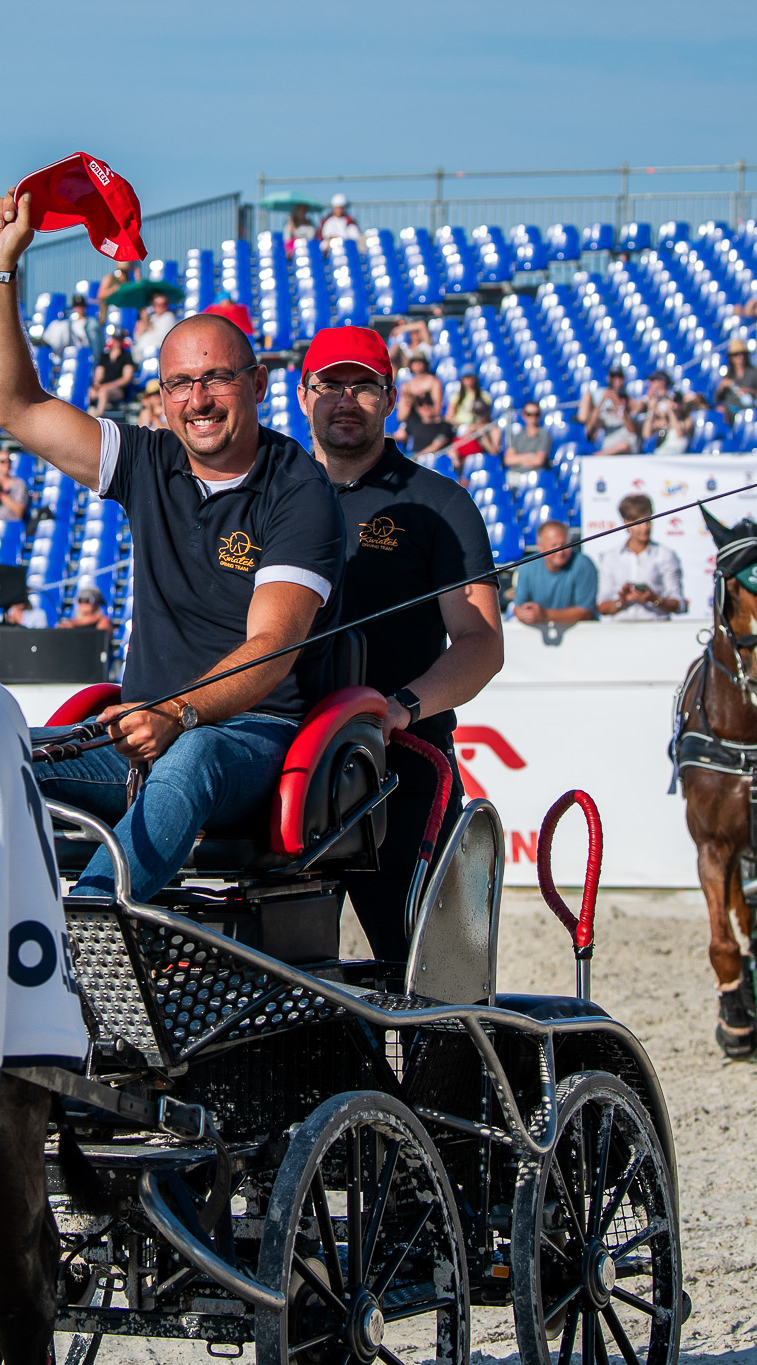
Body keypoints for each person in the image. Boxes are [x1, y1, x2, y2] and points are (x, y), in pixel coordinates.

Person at [0, 185, 345, 906]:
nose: (197, 400)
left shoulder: (299, 490)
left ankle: (88, 934)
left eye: (216, 379)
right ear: (163, 394)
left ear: (258, 384)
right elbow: (13, 405)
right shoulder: (148, 459)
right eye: (180, 383)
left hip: (252, 739)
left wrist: (177, 713)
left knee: (196, 753)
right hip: (143, 736)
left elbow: (272, 645)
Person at [298, 324, 503, 962]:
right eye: (330, 385)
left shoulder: (441, 503)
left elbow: (481, 642)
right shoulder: (269, 498)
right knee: (276, 982)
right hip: (280, 768)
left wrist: (402, 708)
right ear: (303, 396)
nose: (346, 400)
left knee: (426, 977)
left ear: (390, 399)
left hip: (402, 771)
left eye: (364, 386)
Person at [596, 494, 685, 620]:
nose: (645, 528)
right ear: (626, 522)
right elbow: (602, 607)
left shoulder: (666, 555)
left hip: (658, 628)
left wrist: (655, 600)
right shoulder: (610, 558)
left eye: (648, 521)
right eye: (639, 523)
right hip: (620, 629)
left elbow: (679, 605)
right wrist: (622, 601)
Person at [512, 519, 600, 628]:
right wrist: (524, 614)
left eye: (564, 544)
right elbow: (519, 607)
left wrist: (545, 615)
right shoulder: (526, 567)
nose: (560, 551)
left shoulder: (584, 564)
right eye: (554, 545)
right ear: (540, 546)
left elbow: (586, 612)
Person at [579, 368, 639, 456]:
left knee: (624, 445)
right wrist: (602, 401)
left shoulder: (628, 399)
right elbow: (591, 428)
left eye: (619, 377)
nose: (617, 381)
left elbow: (633, 429)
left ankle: (597, 456)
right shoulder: (600, 396)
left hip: (627, 443)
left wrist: (618, 402)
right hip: (609, 444)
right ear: (609, 379)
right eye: (614, 378)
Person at [499, 402, 554, 488]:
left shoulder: (544, 436)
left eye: (536, 414)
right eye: (529, 414)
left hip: (535, 476)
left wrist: (518, 459)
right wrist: (530, 456)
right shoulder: (518, 437)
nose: (533, 417)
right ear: (524, 415)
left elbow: (538, 460)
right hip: (515, 476)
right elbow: (508, 460)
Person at [713, 338, 757, 415]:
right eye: (736, 355)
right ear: (731, 358)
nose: (740, 357)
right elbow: (716, 400)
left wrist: (750, 391)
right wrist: (721, 387)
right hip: (730, 412)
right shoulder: (728, 375)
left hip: (747, 412)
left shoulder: (755, 374)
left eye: (743, 354)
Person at [89, 333, 136, 414]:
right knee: (91, 392)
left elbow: (126, 378)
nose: (117, 342)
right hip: (103, 387)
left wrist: (110, 385)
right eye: (115, 339)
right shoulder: (105, 356)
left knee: (103, 392)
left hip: (119, 390)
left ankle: (98, 416)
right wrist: (97, 382)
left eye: (119, 339)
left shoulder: (126, 356)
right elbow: (99, 373)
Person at [133, 292, 179, 363]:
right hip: (142, 355)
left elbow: (161, 338)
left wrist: (148, 324)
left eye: (164, 304)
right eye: (157, 304)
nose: (161, 307)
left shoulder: (169, 317)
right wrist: (143, 323)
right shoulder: (151, 318)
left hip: (157, 354)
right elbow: (137, 338)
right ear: (153, 306)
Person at [446, 371, 491, 436]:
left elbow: (486, 415)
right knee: (470, 430)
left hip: (478, 425)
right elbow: (449, 417)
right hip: (460, 426)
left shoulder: (484, 396)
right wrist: (457, 423)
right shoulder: (456, 397)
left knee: (492, 430)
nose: (469, 380)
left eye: (471, 377)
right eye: (466, 377)